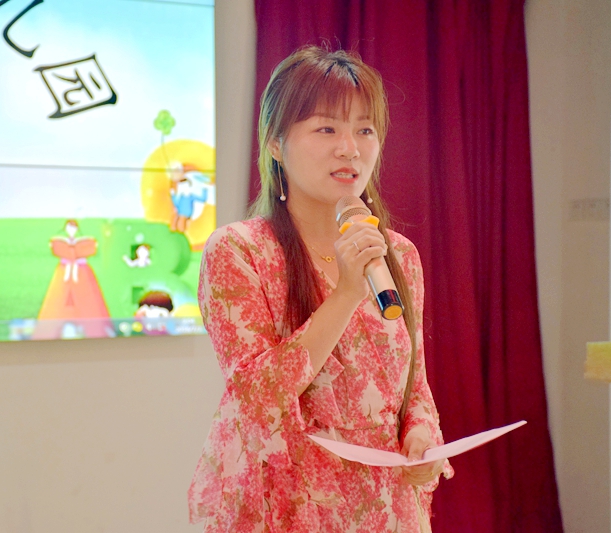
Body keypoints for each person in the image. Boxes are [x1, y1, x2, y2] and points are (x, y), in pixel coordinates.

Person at [188, 46, 452, 533]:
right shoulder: (239, 251)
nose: (350, 148)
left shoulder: (398, 254)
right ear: (275, 143)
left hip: (385, 509)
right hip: (285, 508)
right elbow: (258, 397)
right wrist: (347, 292)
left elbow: (413, 387)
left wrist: (422, 438)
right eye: (327, 129)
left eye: (365, 130)